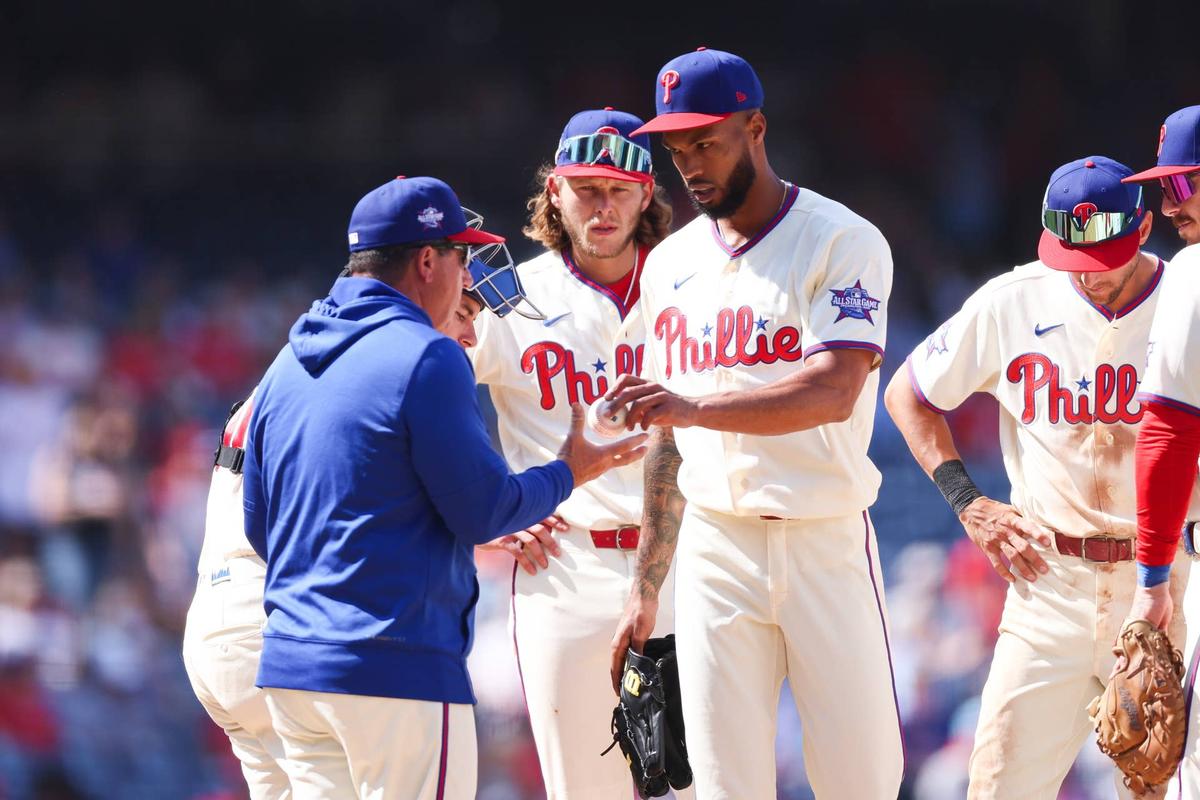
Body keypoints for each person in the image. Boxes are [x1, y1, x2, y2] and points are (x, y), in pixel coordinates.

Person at [241, 176, 647, 800]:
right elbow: (486, 511)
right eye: (462, 257)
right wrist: (570, 470)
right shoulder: (427, 354)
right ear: (427, 260)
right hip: (396, 665)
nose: (467, 278)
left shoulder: (286, 359)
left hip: (292, 668)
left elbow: (260, 525)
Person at [606, 48, 903, 799]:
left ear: (756, 126)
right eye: (678, 151)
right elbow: (666, 437)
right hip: (714, 546)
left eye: (706, 141)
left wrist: (693, 407)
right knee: (721, 782)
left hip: (822, 535)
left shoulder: (841, 239)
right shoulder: (669, 265)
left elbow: (835, 389)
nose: (691, 165)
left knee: (861, 779)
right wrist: (647, 585)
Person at [886, 155, 1188, 799]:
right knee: (996, 786)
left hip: (1167, 586)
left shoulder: (1185, 302)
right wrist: (969, 504)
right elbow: (908, 394)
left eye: (1104, 258)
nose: (1089, 278)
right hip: (1050, 587)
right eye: (1073, 258)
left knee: (1166, 788)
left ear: (1140, 230)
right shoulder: (1014, 299)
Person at [182, 255, 517, 800]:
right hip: (278, 625)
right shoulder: (386, 368)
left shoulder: (314, 361)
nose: (469, 333)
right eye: (462, 311)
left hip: (220, 629)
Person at [468, 107, 682, 798]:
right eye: (586, 187)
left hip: (685, 558)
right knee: (585, 789)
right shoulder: (509, 296)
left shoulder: (696, 286)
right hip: (565, 566)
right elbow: (416, 399)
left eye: (619, 188)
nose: (603, 204)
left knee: (699, 783)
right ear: (553, 190)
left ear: (647, 195)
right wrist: (489, 504)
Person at [1123, 105, 1200, 798]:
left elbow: (1170, 431)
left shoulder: (1194, 272)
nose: (1172, 205)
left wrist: (1152, 582)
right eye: (1165, 188)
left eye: (1185, 185)